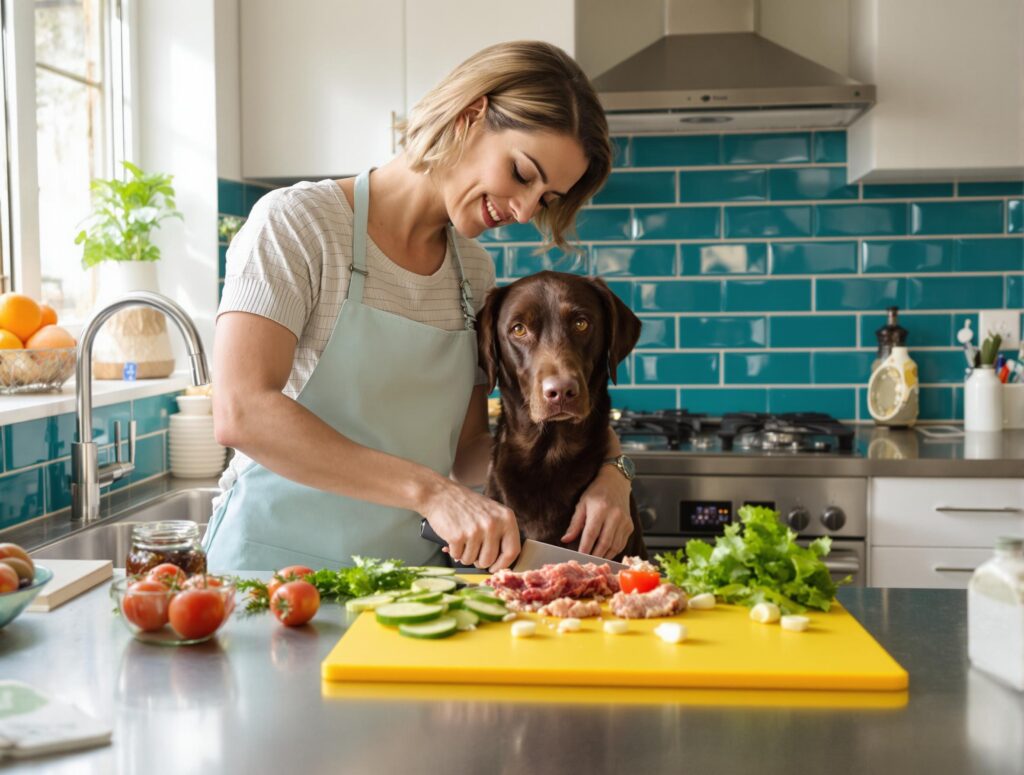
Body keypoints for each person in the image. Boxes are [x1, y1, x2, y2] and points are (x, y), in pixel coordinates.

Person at [203, 40, 634, 573]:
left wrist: (612, 472)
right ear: (471, 116)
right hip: (272, 573)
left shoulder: (472, 273)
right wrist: (430, 493)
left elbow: (472, 450)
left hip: (406, 580)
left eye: (545, 199)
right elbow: (241, 411)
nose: (524, 210)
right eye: (523, 173)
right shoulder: (299, 225)